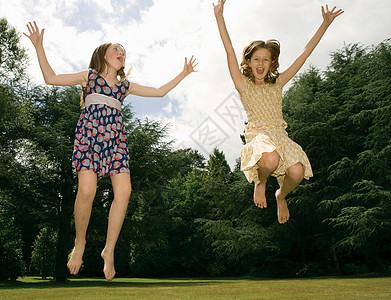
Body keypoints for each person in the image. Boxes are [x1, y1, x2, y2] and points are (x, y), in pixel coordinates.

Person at [24, 21, 197, 280]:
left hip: (116, 140)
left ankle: (109, 250)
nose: (121, 53)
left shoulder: (124, 85)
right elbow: (51, 78)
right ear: (102, 54)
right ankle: (79, 243)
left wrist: (183, 73)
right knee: (87, 190)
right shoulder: (89, 77)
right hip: (90, 136)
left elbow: (159, 92)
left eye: (123, 52)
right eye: (116, 49)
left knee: (124, 191)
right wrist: (39, 47)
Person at [213, 1, 343, 224]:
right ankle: (260, 183)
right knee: (270, 160)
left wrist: (325, 24)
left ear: (272, 62)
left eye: (265, 59)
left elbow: (303, 54)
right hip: (259, 135)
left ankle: (281, 196)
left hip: (280, 135)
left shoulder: (278, 83)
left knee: (297, 173)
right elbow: (229, 50)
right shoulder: (243, 84)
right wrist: (219, 17)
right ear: (248, 62)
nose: (261, 63)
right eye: (256, 59)